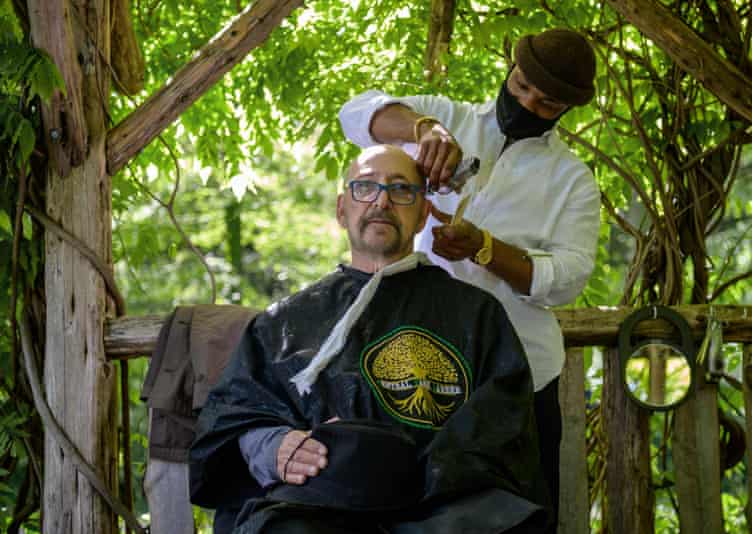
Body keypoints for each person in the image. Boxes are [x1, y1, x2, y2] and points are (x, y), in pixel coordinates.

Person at [189, 145, 548, 533]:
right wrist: (273, 447)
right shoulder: (285, 321)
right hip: (321, 508)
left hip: (443, 508)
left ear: (423, 214)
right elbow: (234, 416)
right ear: (342, 209)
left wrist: (401, 467)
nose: (382, 200)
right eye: (366, 187)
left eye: (401, 190)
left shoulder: (477, 313)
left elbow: (502, 426)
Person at [338, 28, 601, 529]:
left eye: (544, 103)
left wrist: (486, 249)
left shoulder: (572, 180)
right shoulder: (450, 117)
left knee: (515, 511)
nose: (524, 102)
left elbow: (567, 279)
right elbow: (354, 113)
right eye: (520, 85)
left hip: (518, 374)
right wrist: (424, 130)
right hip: (416, 359)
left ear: (566, 108)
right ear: (511, 69)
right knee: (411, 507)